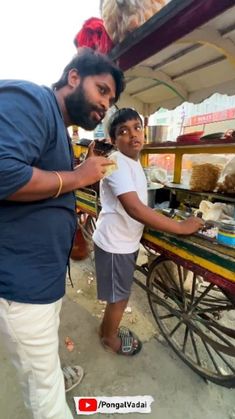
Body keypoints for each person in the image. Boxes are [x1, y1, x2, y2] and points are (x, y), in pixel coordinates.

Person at [0, 47, 124, 419]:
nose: (105, 105)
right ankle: (48, 383)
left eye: (111, 100)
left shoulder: (58, 126)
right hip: (21, 287)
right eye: (102, 90)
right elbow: (4, 172)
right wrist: (79, 176)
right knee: (47, 399)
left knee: (42, 355)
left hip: (41, 280)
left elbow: (46, 188)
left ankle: (49, 370)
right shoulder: (32, 99)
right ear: (73, 77)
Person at [92, 108, 204, 356]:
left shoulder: (132, 162)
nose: (133, 134)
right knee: (119, 298)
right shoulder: (116, 162)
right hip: (115, 244)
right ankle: (108, 338)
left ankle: (106, 330)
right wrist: (180, 226)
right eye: (123, 131)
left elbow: (139, 205)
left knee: (119, 294)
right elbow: (134, 208)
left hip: (124, 241)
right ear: (112, 140)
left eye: (137, 127)